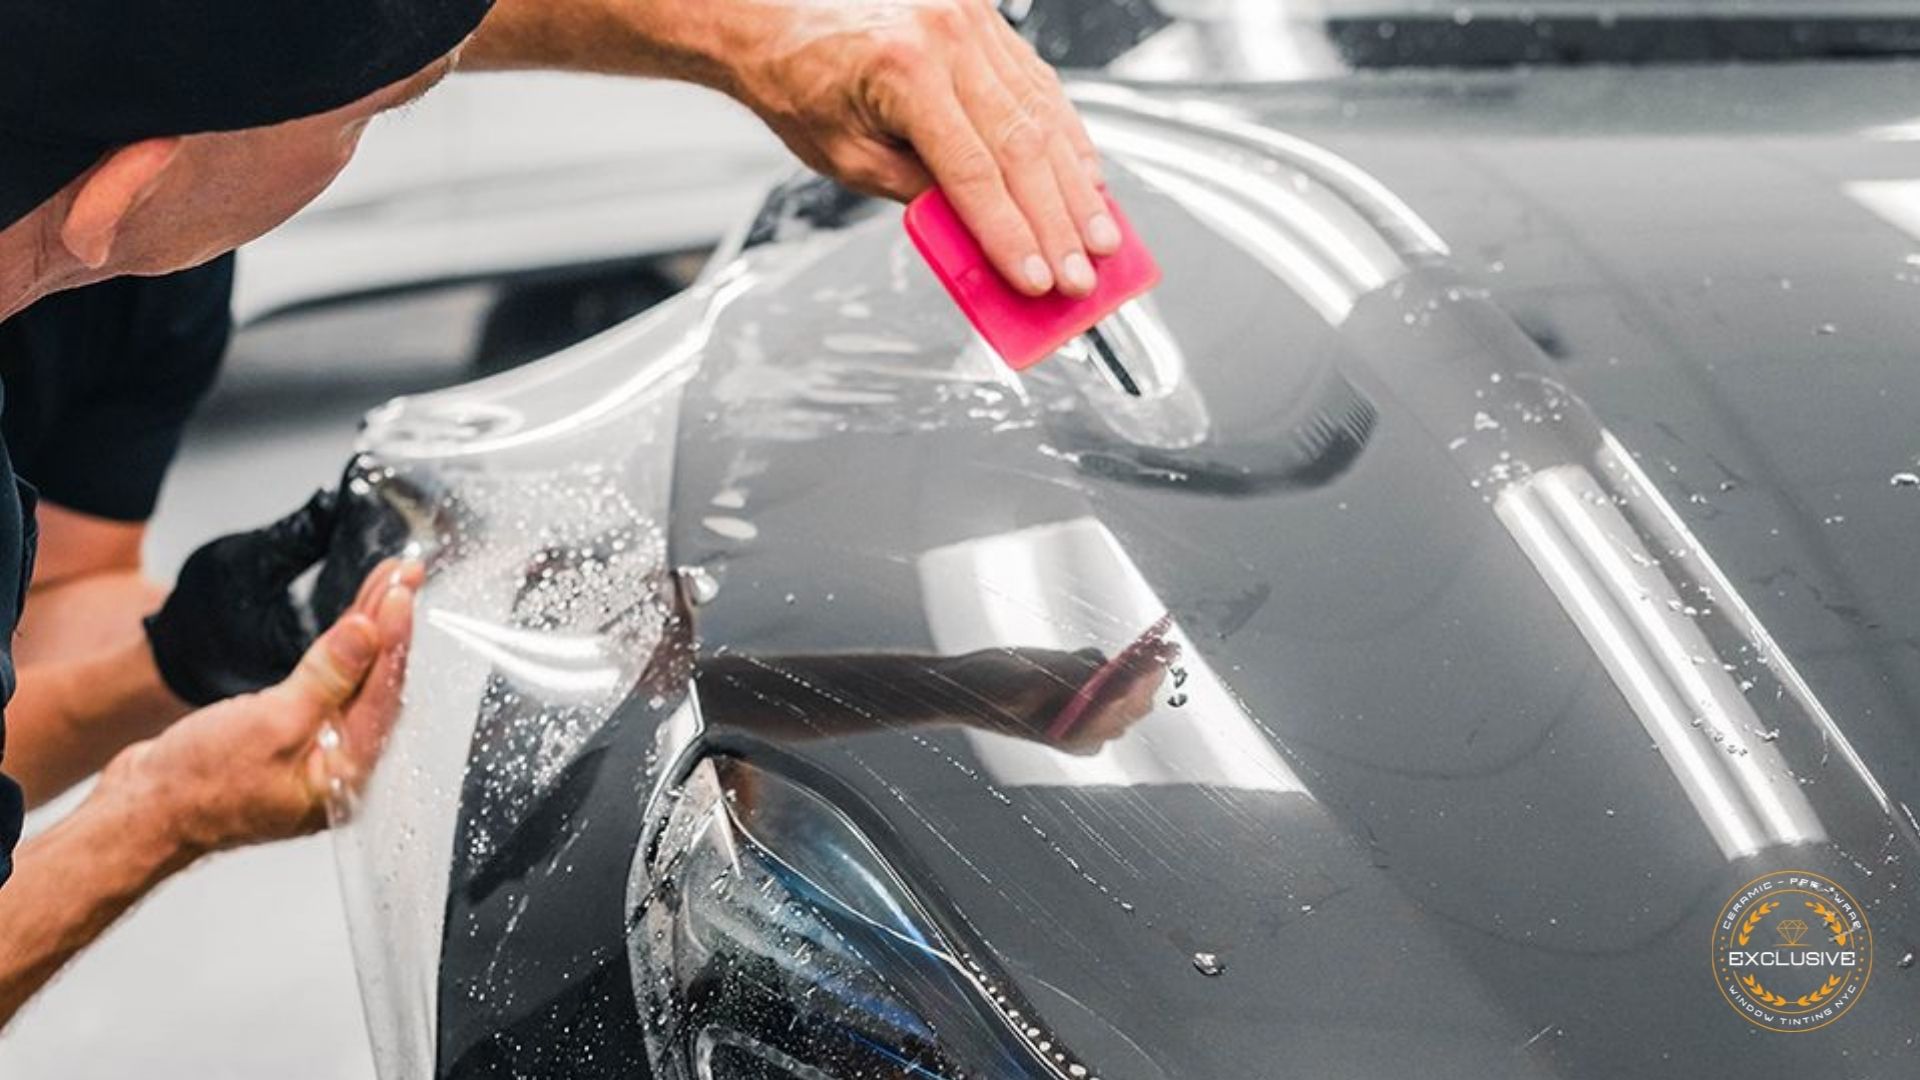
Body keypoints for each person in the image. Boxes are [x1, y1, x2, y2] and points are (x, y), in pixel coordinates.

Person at [0, 0, 1116, 1031]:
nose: (416, 90)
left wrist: (196, 648)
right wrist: (162, 813)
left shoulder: (109, 229)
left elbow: (56, 614)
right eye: (375, 118)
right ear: (125, 195)